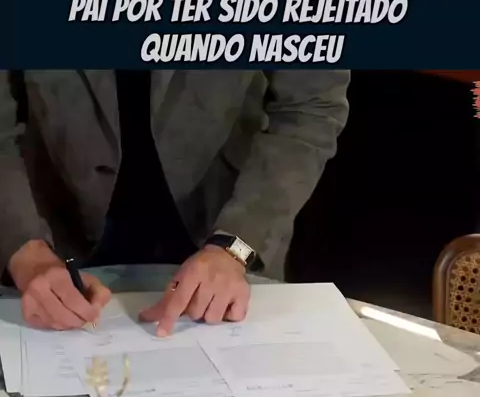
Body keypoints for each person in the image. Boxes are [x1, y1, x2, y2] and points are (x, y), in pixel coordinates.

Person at [0, 69, 349, 335]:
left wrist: (236, 246)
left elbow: (310, 109)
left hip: (226, 224)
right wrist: (24, 249)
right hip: (52, 231)